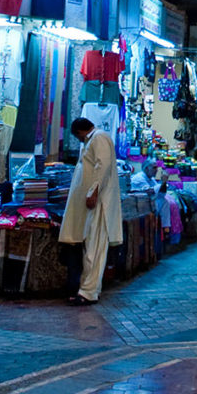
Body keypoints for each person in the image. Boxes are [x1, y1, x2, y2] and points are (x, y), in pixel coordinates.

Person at [59, 118, 122, 306]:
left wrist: (93, 192)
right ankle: (89, 289)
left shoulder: (99, 138)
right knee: (90, 248)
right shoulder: (94, 139)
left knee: (94, 250)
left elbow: (102, 167)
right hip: (93, 204)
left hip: (99, 204)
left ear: (80, 131)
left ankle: (88, 292)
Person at [131, 158, 172, 232]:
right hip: (140, 204)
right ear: (147, 168)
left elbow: (160, 193)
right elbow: (149, 191)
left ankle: (165, 227)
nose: (156, 170)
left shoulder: (151, 179)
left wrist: (164, 183)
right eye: (154, 167)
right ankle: (164, 228)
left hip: (148, 202)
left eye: (156, 167)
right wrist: (162, 183)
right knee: (162, 202)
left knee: (164, 201)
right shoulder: (139, 178)